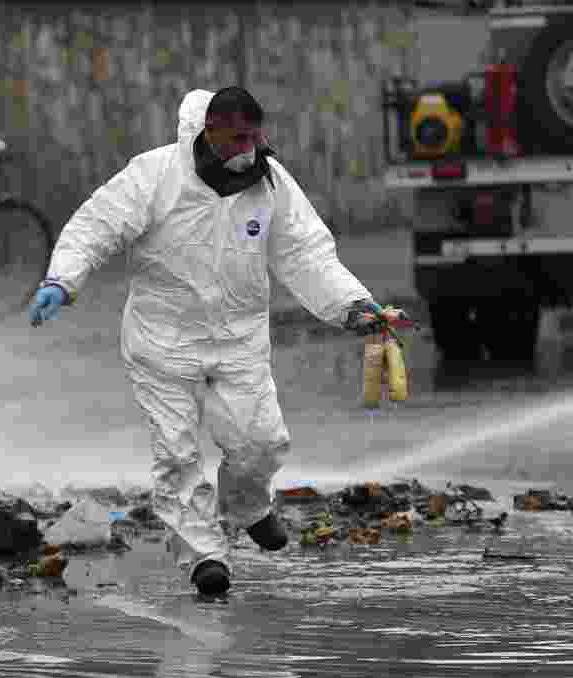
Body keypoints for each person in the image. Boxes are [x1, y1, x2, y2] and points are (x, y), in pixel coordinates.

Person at [29, 86, 404, 596]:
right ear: (209, 131)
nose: (248, 149)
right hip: (162, 342)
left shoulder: (269, 181)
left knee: (262, 442)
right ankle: (204, 555)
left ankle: (248, 506)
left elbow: (307, 254)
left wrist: (354, 307)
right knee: (178, 455)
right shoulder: (156, 175)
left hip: (238, 339)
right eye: (237, 138)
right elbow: (95, 228)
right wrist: (62, 280)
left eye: (255, 136)